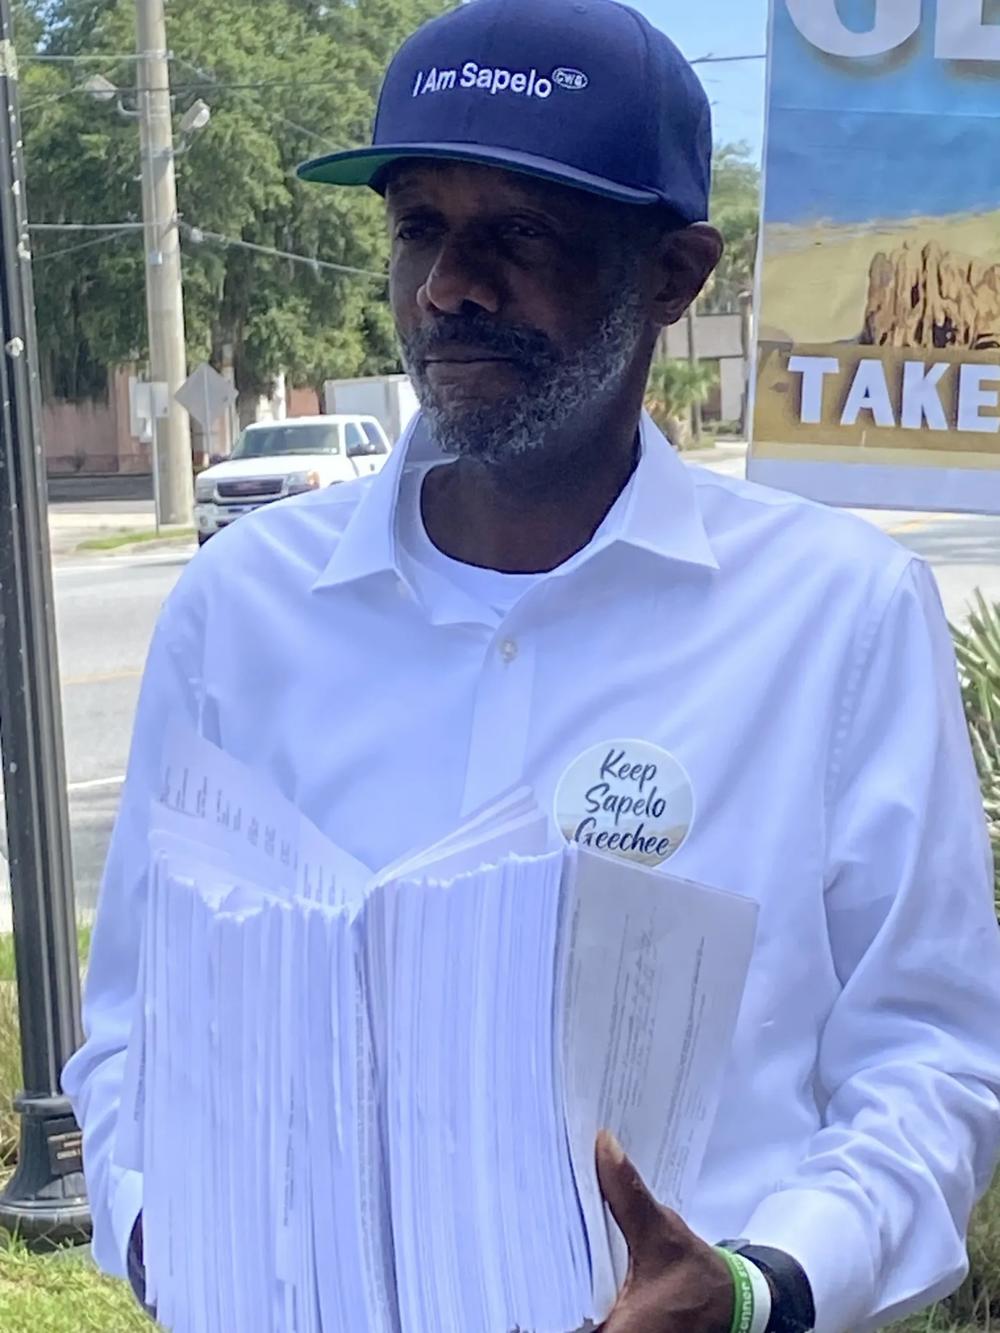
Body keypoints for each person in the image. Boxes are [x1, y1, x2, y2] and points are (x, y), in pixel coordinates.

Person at [64, 1, 1000, 1330]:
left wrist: (753, 1287)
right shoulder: (241, 612)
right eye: (419, 228)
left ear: (675, 275)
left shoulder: (834, 618)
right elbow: (136, 1033)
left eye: (521, 234)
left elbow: (929, 1061)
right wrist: (173, 1224)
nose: (450, 285)